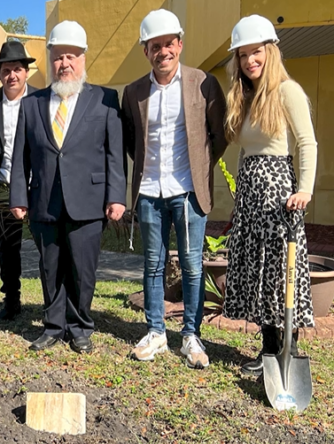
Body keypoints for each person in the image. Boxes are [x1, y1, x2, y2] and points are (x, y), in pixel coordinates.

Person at [10, 21, 127, 353]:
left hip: (89, 200)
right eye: (59, 56)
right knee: (50, 267)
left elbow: (115, 154)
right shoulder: (32, 103)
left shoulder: (105, 99)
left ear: (83, 58)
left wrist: (116, 196)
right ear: (51, 59)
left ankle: (79, 327)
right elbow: (20, 156)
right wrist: (18, 196)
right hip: (44, 200)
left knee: (82, 269)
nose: (65, 63)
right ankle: (53, 326)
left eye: (71, 56)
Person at [121, 9, 228, 369]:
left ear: (180, 44)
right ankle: (156, 332)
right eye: (155, 46)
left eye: (169, 44)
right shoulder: (134, 92)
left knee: (193, 266)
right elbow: (131, 140)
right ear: (146, 51)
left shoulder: (203, 82)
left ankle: (191, 336)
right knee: (153, 265)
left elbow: (219, 135)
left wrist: (198, 167)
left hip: (188, 193)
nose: (163, 51)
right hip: (150, 191)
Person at [222, 15, 318, 376]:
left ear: (270, 51)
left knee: (279, 270)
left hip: (278, 191)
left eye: (256, 52)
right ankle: (268, 351)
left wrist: (305, 188)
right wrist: (240, 196)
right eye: (243, 54)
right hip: (251, 191)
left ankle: (286, 352)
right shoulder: (245, 96)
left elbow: (307, 142)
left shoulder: (287, 91)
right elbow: (246, 151)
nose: (250, 60)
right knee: (257, 268)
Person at [0, 41, 38, 320]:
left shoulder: (42, 100)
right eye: (6, 70)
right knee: (7, 247)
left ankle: (53, 302)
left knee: (47, 245)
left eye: (17, 69)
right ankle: (11, 299)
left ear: (26, 72)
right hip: (3, 183)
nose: (12, 75)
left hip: (38, 184)